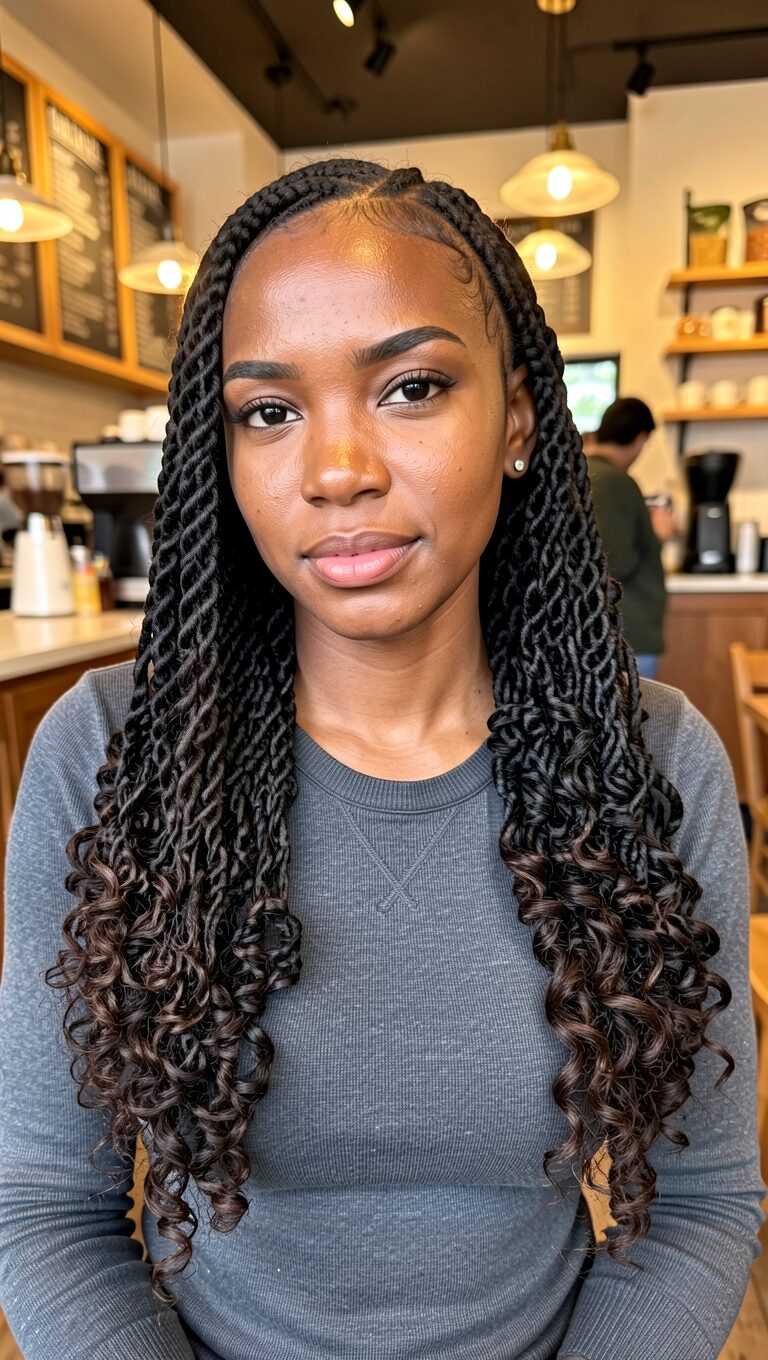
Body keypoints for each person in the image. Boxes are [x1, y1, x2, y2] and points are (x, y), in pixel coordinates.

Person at [0, 160, 762, 1360]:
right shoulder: (112, 753)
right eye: (269, 411)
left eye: (411, 387)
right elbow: (47, 1206)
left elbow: (702, 1202)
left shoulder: (655, 762)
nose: (336, 469)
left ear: (518, 419)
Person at [584, 397, 675, 680]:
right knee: (631, 706)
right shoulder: (615, 481)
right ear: (640, 439)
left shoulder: (582, 471)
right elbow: (617, 561)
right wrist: (659, 535)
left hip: (600, 630)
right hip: (628, 631)